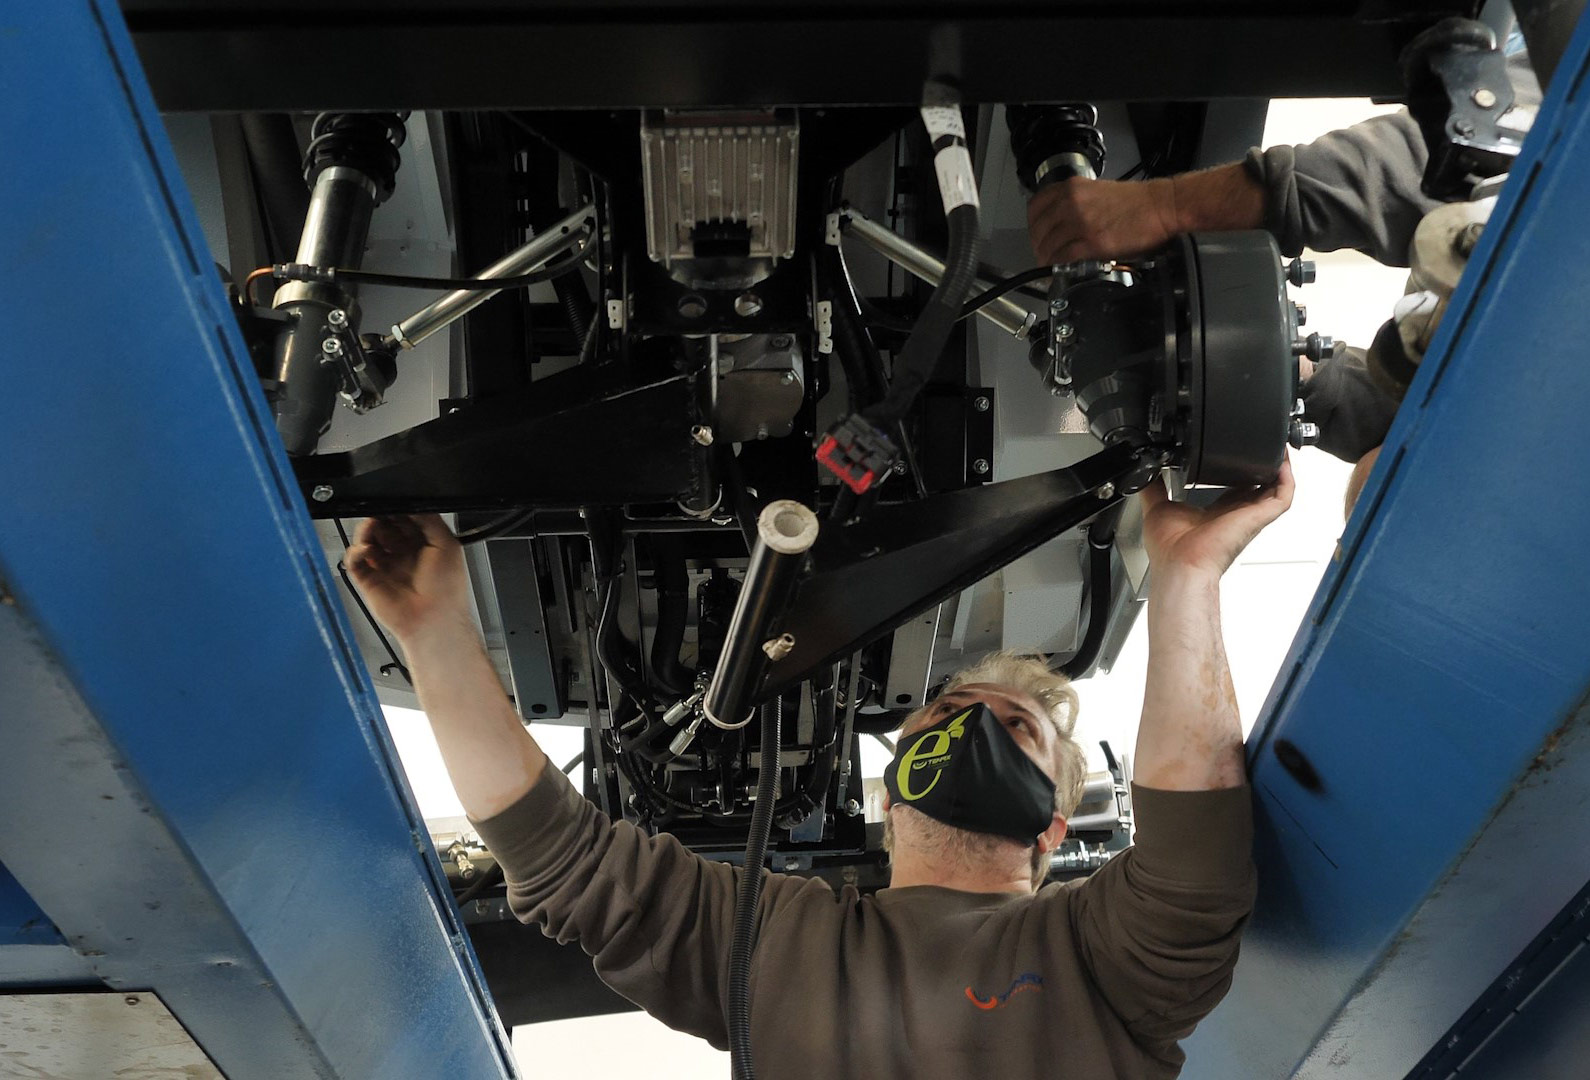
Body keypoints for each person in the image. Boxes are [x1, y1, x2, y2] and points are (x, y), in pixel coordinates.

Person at [345, 457, 1293, 1079]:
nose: (970, 732)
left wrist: (1187, 573)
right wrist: (434, 635)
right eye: (951, 714)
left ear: (1055, 827)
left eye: (1016, 730)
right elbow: (565, 862)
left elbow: (1193, 834)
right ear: (894, 779)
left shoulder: (1098, 952)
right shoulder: (776, 945)